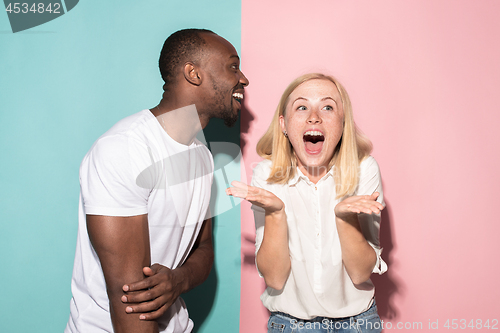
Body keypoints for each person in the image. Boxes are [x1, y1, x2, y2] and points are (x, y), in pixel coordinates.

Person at [65, 28, 249, 333]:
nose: (242, 79)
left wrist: (177, 280)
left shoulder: (201, 153)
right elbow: (131, 304)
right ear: (193, 73)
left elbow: (203, 251)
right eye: (232, 66)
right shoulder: (124, 149)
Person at [227, 73, 387, 332]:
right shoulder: (266, 174)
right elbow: (275, 279)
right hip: (289, 325)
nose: (314, 116)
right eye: (302, 107)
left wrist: (345, 219)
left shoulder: (364, 169)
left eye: (327, 107)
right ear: (284, 125)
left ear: (343, 123)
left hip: (359, 324)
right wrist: (276, 213)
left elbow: (360, 273)